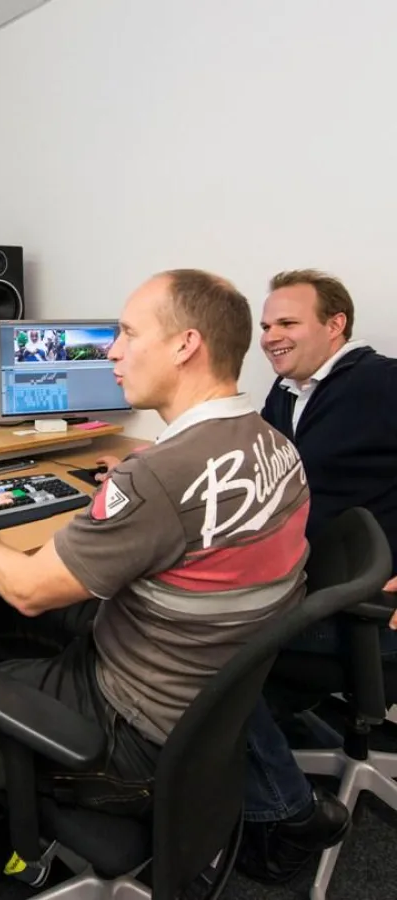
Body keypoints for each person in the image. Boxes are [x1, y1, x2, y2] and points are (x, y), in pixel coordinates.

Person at [0, 270, 312, 900]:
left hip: (135, 730)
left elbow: (31, 589)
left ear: (185, 346)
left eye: (126, 333)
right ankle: (9, 803)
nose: (112, 351)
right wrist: (115, 497)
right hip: (203, 713)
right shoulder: (272, 444)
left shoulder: (159, 477)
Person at [229, 269, 397, 882]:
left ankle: (287, 813)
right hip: (312, 588)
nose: (270, 335)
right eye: (267, 324)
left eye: (287, 323)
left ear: (335, 326)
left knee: (208, 641)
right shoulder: (292, 391)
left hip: (363, 615)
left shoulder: (380, 384)